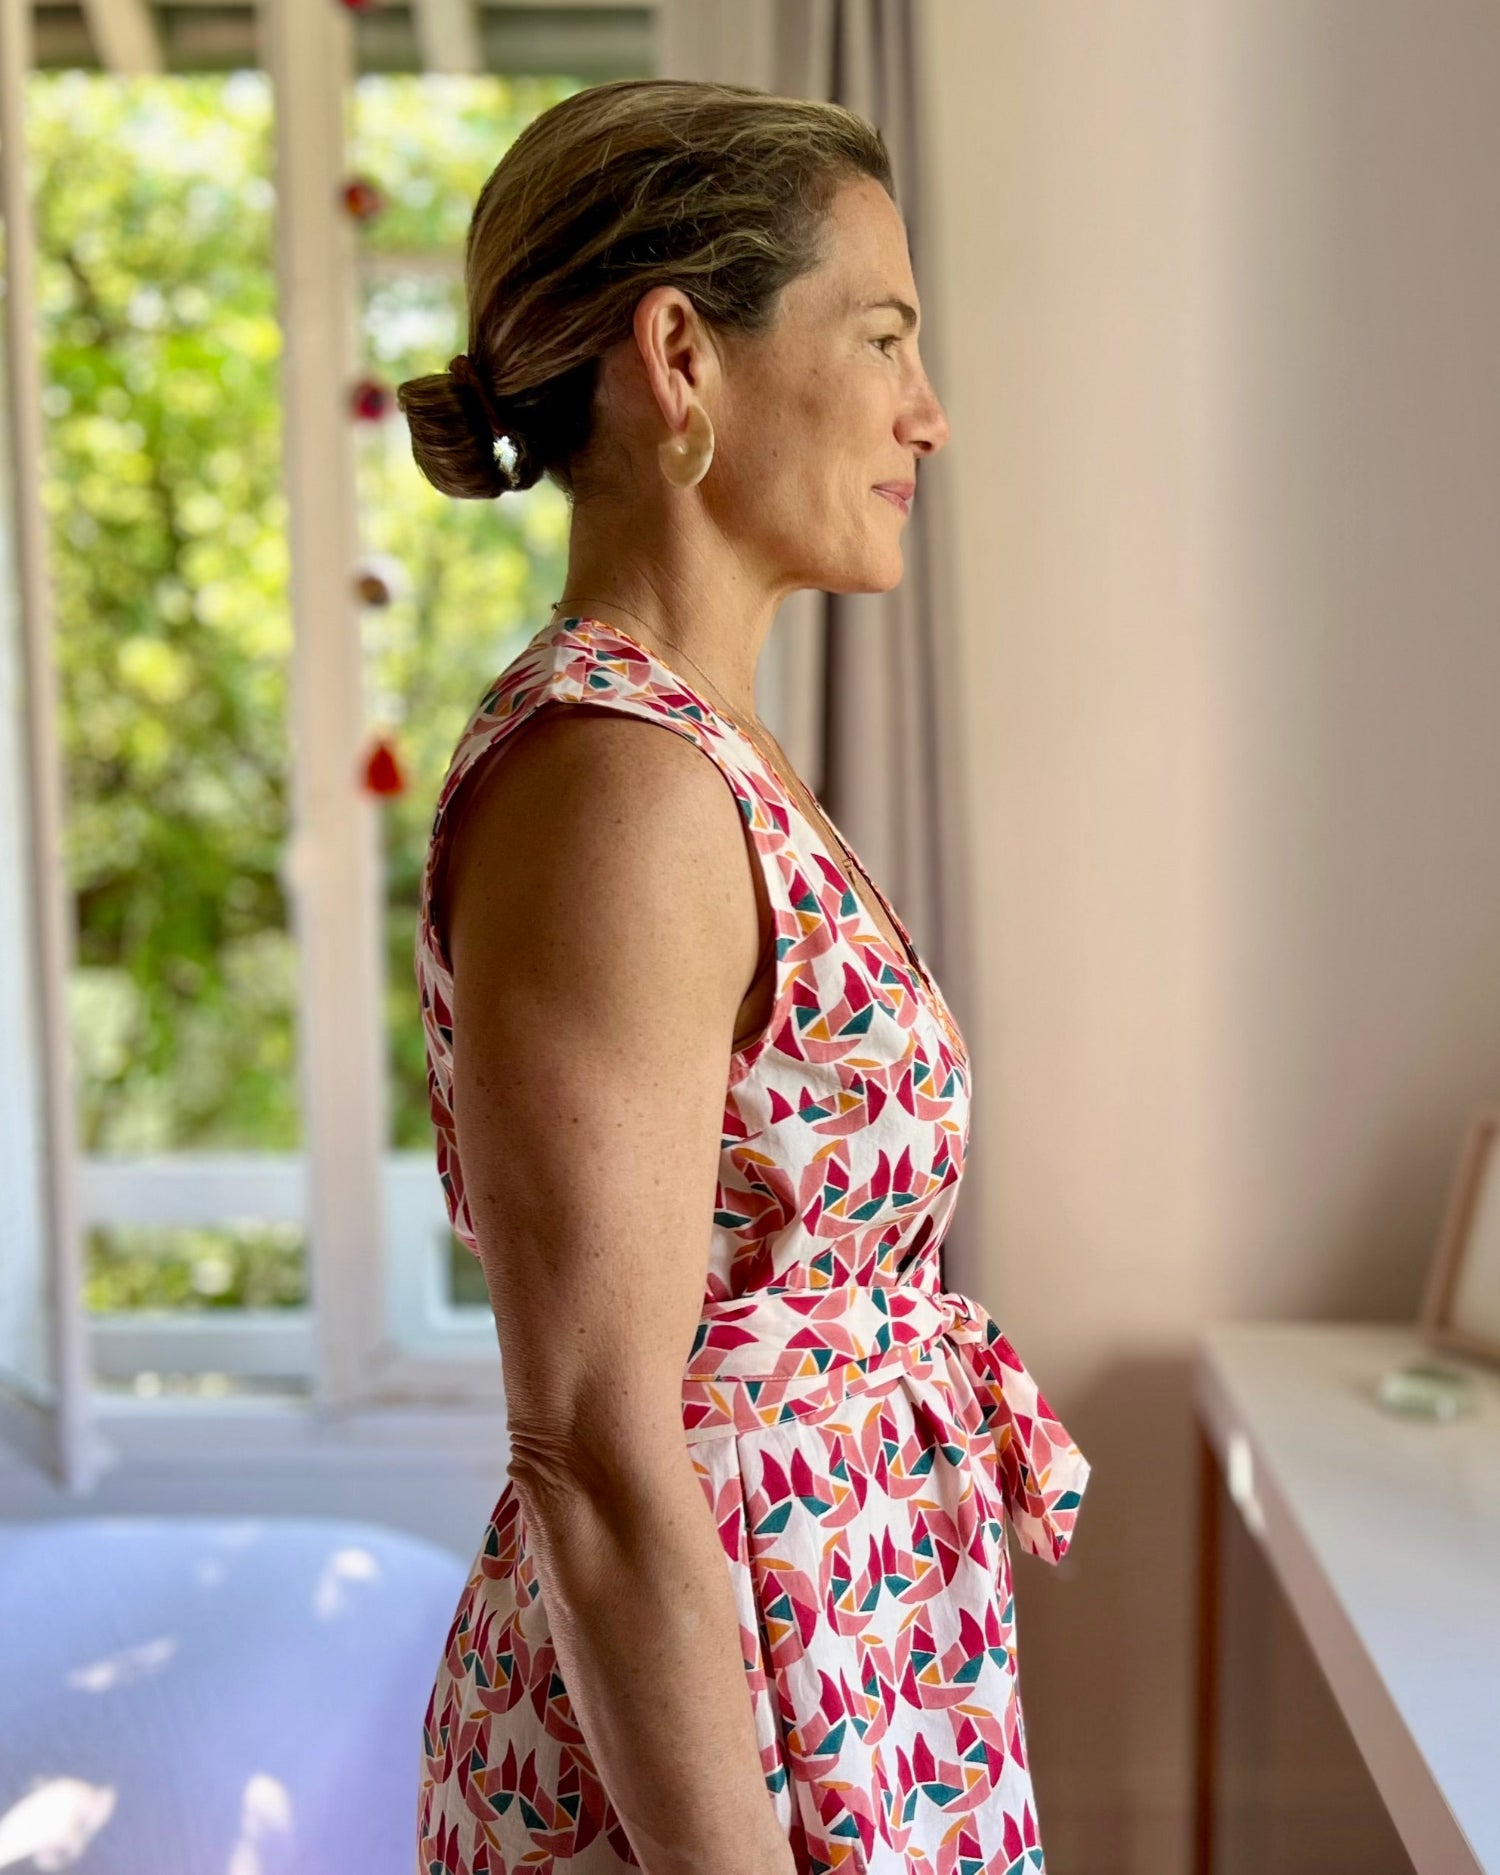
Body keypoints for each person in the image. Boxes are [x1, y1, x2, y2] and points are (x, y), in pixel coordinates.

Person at [398, 76, 1091, 1875]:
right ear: (681, 357)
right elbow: (591, 1450)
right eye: (883, 337)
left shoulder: (707, 755)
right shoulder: (616, 786)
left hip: (853, 1672)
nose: (929, 413)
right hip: (719, 1760)